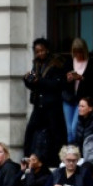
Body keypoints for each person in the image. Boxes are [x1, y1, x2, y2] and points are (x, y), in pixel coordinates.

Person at [23, 38, 68, 167]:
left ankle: (58, 160)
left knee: (56, 133)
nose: (40, 54)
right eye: (37, 51)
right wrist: (27, 79)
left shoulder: (56, 63)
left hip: (52, 105)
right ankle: (28, 157)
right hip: (39, 104)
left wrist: (39, 81)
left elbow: (57, 84)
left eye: (42, 50)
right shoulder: (36, 64)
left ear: (47, 50)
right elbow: (32, 80)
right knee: (30, 130)